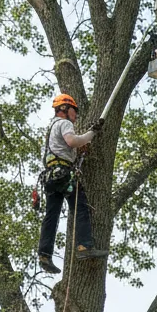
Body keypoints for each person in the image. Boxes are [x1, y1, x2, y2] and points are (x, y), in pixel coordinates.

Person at [37, 93, 108, 274]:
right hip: (63, 174)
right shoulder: (64, 123)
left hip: (50, 176)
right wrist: (91, 133)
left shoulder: (50, 128)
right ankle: (84, 246)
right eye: (74, 111)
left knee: (51, 216)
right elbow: (72, 141)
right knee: (80, 207)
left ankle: (44, 254)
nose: (76, 115)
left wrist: (80, 147)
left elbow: (66, 147)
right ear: (64, 109)